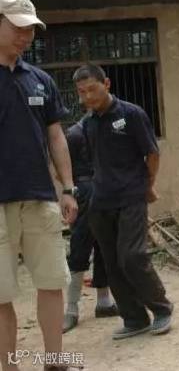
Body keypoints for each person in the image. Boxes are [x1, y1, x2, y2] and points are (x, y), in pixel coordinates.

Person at [0, 0, 80, 371]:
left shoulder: (40, 80)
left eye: (31, 29)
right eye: (18, 27)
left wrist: (67, 188)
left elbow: (56, 136)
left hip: (40, 197)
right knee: (1, 295)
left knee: (51, 282)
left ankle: (54, 360)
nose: (26, 36)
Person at [72, 64, 173, 340]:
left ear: (106, 83)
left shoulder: (131, 114)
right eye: (82, 92)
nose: (88, 97)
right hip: (100, 202)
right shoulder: (88, 124)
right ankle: (134, 318)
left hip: (131, 196)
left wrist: (147, 185)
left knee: (132, 256)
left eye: (92, 89)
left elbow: (152, 153)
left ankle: (162, 309)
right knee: (112, 262)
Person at [62, 116, 118, 333]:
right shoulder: (74, 134)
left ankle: (104, 302)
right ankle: (71, 309)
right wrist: (70, 193)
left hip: (105, 191)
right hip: (83, 194)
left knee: (105, 246)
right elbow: (62, 168)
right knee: (79, 248)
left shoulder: (108, 128)